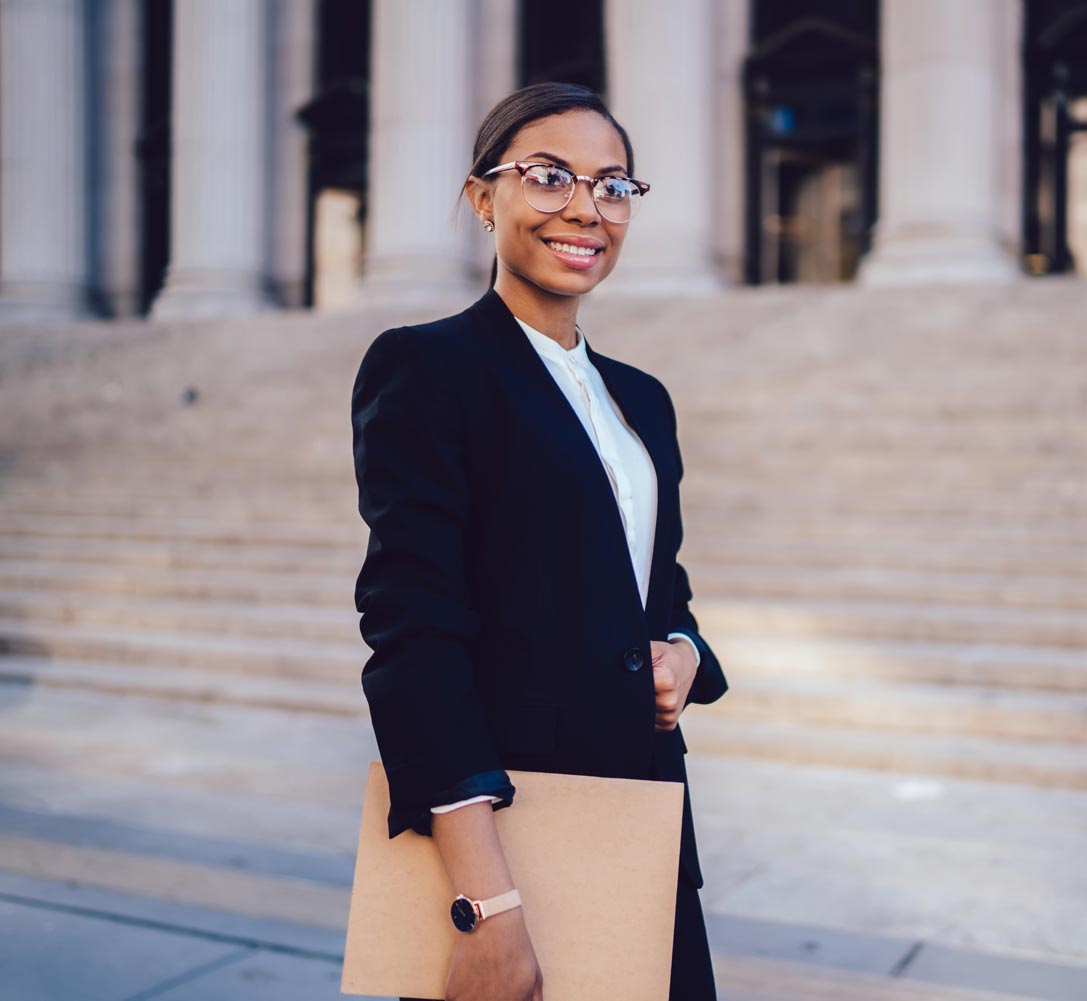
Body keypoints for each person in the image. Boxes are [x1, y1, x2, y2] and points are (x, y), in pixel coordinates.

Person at [350, 81, 728, 1001]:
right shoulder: (429, 368)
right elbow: (415, 635)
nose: (584, 209)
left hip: (638, 828)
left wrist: (685, 653)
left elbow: (659, 591)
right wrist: (487, 902)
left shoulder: (643, 399)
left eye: (612, 185)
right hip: (506, 845)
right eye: (550, 176)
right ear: (485, 197)